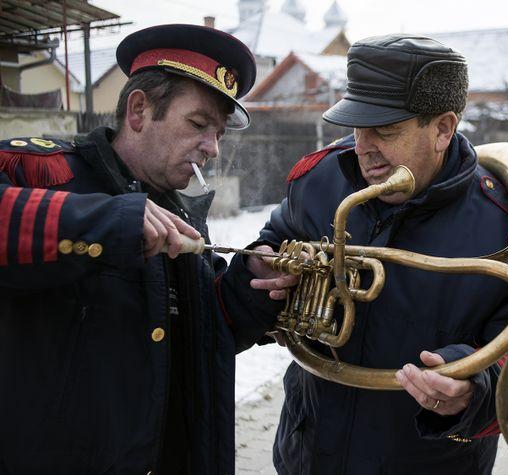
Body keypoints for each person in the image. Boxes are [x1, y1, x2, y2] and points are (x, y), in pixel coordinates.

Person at [0, 24, 292, 473]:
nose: (212, 148)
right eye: (198, 124)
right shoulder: (43, 170)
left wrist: (252, 280)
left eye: (219, 133)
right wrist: (107, 222)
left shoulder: (182, 211)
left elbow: (204, 336)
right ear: (138, 110)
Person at [256, 34, 508, 474]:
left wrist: (473, 389)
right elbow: (277, 234)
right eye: (357, 126)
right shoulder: (320, 178)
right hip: (308, 454)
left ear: (443, 128)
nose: (364, 146)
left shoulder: (505, 224)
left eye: (385, 130)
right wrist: (266, 260)